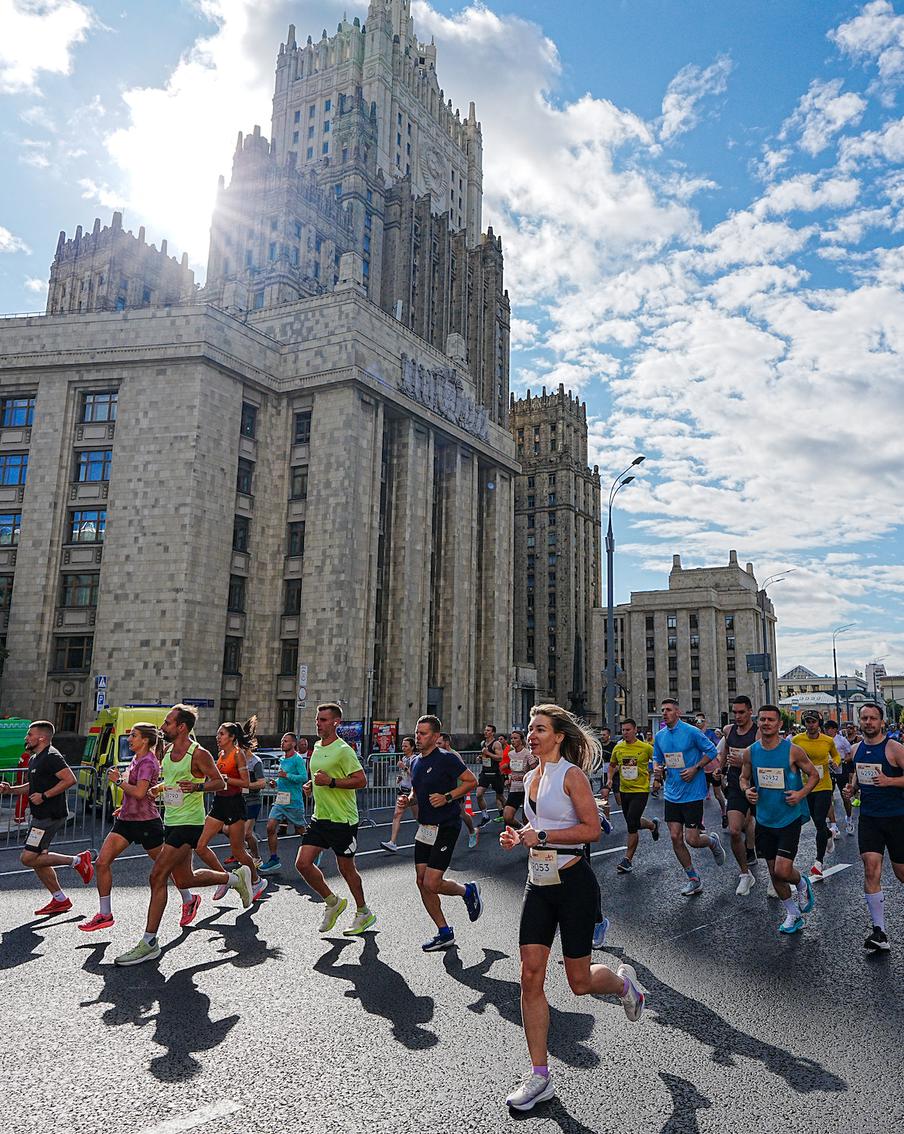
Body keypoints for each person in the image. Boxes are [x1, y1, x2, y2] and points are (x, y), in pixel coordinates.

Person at [500, 704, 644, 1112]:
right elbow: (536, 828)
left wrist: (543, 835)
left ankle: (624, 985)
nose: (532, 735)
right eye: (530, 729)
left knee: (578, 982)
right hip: (538, 884)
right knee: (530, 975)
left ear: (559, 736)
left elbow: (591, 830)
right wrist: (518, 837)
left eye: (540, 729)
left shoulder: (571, 775)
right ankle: (539, 1076)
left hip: (573, 883)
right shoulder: (531, 776)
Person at [113, 704, 253, 966]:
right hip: (172, 820)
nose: (163, 727)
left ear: (182, 727)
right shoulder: (166, 751)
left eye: (168, 723)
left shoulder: (198, 753)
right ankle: (233, 878)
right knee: (185, 879)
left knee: (157, 876)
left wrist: (198, 787)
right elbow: (173, 781)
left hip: (190, 823)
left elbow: (219, 782)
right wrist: (159, 788)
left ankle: (149, 942)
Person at [79, 723, 170, 932]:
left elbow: (139, 792)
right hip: (126, 821)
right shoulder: (136, 758)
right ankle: (105, 914)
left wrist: (118, 780)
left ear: (145, 740)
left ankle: (189, 898)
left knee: (166, 866)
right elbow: (134, 795)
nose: (129, 739)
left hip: (147, 822)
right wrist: (124, 807)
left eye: (133, 735)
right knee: (102, 862)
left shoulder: (148, 762)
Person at [296, 702, 376, 936]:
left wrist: (330, 782)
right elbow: (319, 776)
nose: (318, 723)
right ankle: (333, 902)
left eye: (322, 720)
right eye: (317, 719)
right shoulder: (317, 747)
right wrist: (311, 785)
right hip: (320, 817)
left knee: (346, 869)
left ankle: (363, 912)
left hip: (343, 819)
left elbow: (361, 780)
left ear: (335, 722)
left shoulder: (343, 750)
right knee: (302, 864)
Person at [740, 705, 820, 934]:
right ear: (758, 722)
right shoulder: (751, 752)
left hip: (788, 818)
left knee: (783, 870)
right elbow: (743, 778)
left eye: (771, 720)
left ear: (779, 724)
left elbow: (814, 775)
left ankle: (802, 883)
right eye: (762, 719)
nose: (766, 723)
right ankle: (793, 914)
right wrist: (747, 790)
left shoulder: (792, 751)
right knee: (773, 871)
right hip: (764, 819)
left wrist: (800, 794)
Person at [404, 715, 482, 950]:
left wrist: (447, 797)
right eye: (417, 733)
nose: (418, 737)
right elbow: (416, 791)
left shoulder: (446, 759)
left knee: (432, 882)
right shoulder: (415, 762)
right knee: (421, 881)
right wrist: (408, 800)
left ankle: (467, 891)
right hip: (425, 828)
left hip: (446, 826)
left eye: (423, 734)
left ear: (436, 736)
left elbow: (471, 781)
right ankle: (444, 932)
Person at [0, 720, 93, 914]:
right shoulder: (35, 758)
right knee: (39, 859)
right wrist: (11, 790)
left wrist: (45, 796)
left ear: (41, 737)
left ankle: (77, 861)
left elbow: (70, 779)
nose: (26, 738)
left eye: (30, 734)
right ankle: (60, 899)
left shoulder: (52, 756)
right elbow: (32, 787)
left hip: (50, 815)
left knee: (28, 858)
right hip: (40, 815)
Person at [652, 698, 725, 896]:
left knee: (692, 839)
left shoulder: (692, 732)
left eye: (668, 710)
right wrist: (657, 769)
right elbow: (657, 757)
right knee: (675, 837)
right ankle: (694, 879)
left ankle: (712, 842)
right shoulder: (660, 736)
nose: (664, 713)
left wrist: (696, 768)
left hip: (692, 793)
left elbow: (712, 751)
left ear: (678, 712)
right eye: (662, 710)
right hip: (671, 793)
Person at [846, 702, 904, 952]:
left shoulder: (894, 748)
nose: (868, 722)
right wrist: (852, 789)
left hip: (897, 818)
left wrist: (890, 780)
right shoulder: (856, 749)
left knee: (901, 873)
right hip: (869, 818)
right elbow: (858, 777)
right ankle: (879, 932)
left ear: (882, 722)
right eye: (864, 718)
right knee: (870, 869)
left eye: (873, 718)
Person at [193, 718, 266, 902]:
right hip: (219, 803)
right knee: (200, 846)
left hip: (234, 804)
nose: (218, 737)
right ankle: (223, 878)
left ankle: (256, 881)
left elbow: (245, 783)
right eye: (218, 733)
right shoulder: (221, 754)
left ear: (232, 737)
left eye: (222, 734)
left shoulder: (237, 754)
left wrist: (225, 779)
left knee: (238, 851)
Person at [791, 711, 839, 880]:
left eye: (813, 722)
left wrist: (835, 762)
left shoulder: (827, 740)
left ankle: (818, 862)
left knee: (819, 820)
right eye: (807, 722)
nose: (810, 725)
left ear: (819, 723)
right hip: (806, 786)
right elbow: (791, 758)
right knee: (816, 820)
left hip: (824, 785)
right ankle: (828, 834)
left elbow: (836, 755)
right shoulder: (797, 740)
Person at [720, 695, 759, 896]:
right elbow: (725, 752)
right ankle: (745, 874)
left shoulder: (758, 733)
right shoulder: (728, 730)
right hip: (736, 785)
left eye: (741, 712)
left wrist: (743, 761)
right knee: (735, 831)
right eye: (734, 712)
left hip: (758, 786)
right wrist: (720, 770)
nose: (737, 716)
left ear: (750, 711)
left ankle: (775, 876)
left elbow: (764, 759)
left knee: (768, 833)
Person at [608, 718, 659, 873]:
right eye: (623, 730)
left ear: (635, 730)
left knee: (631, 823)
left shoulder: (645, 747)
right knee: (633, 821)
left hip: (640, 791)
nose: (625, 733)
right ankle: (652, 825)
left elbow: (657, 760)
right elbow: (612, 765)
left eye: (628, 730)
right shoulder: (618, 748)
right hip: (625, 790)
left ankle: (627, 860)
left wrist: (658, 777)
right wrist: (609, 779)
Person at [259, 733, 309, 874]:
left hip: (294, 801)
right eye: (282, 740)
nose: (282, 743)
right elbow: (282, 779)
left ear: (293, 744)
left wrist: (287, 775)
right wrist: (276, 783)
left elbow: (304, 777)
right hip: (280, 800)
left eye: (285, 741)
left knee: (301, 830)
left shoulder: (297, 759)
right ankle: (274, 859)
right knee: (270, 827)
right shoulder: (282, 759)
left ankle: (316, 848)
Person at [225, 744, 267, 866]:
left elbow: (262, 783)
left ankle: (257, 858)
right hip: (238, 800)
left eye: (239, 747)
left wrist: (246, 784)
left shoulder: (255, 762)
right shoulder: (237, 760)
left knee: (247, 833)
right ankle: (243, 851)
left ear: (247, 747)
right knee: (227, 829)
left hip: (252, 801)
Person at [380, 736, 418, 853]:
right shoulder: (404, 758)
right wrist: (400, 777)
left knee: (418, 817)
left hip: (412, 792)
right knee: (397, 814)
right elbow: (404, 774)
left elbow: (415, 775)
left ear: (412, 747)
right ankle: (392, 843)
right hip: (403, 790)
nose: (403, 748)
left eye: (406, 746)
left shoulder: (415, 759)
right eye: (402, 746)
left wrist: (404, 768)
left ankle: (429, 834)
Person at [441, 732, 478, 849]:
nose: (436, 746)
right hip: (444, 789)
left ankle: (472, 831)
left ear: (446, 743)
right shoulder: (440, 754)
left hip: (456, 790)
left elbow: (465, 774)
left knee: (461, 813)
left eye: (439, 743)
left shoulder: (454, 755)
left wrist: (459, 791)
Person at [696, 714, 727, 829]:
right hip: (702, 770)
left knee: (718, 794)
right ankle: (700, 821)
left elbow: (717, 748)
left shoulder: (711, 734)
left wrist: (721, 766)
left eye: (701, 720)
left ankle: (724, 813)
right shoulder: (694, 734)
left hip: (714, 769)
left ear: (705, 721)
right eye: (696, 720)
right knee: (700, 796)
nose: (698, 722)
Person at [502, 729, 537, 828]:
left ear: (521, 740)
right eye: (511, 738)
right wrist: (508, 777)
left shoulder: (527, 753)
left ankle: (527, 833)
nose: (512, 740)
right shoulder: (511, 754)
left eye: (515, 738)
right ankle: (521, 828)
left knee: (527, 819)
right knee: (507, 817)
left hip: (526, 789)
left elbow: (535, 770)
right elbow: (510, 769)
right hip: (514, 788)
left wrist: (526, 777)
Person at [825, 719, 855, 836]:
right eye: (826, 729)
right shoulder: (823, 740)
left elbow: (850, 754)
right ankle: (833, 825)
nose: (827, 731)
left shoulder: (842, 740)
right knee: (828, 797)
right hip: (828, 771)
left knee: (845, 796)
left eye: (829, 728)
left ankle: (849, 819)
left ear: (835, 729)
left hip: (841, 770)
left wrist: (842, 761)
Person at [475, 723, 505, 824]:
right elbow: (485, 755)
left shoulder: (496, 744)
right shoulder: (483, 743)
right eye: (485, 730)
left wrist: (488, 753)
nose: (485, 732)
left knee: (500, 796)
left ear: (493, 733)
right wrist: (480, 757)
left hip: (495, 773)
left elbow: (500, 757)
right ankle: (485, 816)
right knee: (478, 794)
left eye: (488, 730)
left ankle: (508, 812)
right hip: (485, 772)